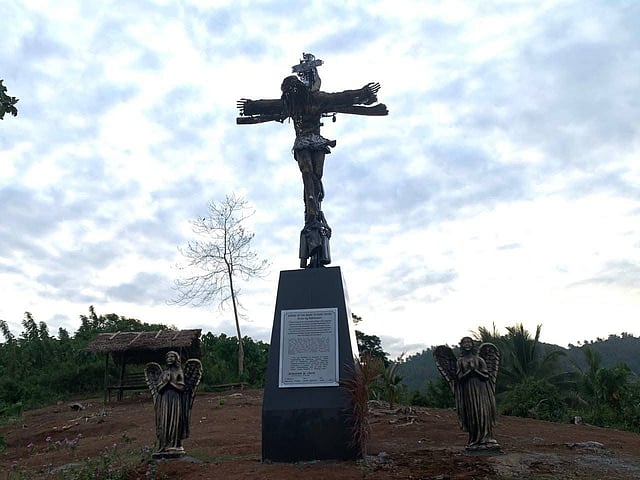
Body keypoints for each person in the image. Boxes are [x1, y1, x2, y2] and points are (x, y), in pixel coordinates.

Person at [434, 337, 500, 450]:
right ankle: (474, 440)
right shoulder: (460, 361)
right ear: (461, 345)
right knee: (472, 413)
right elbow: (459, 378)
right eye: (465, 342)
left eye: (469, 342)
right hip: (468, 391)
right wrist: (470, 372)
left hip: (481, 389)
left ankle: (487, 438)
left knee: (483, 412)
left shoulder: (480, 360)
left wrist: (476, 372)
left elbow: (486, 376)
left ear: (472, 344)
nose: (467, 344)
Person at [145, 351, 202, 457]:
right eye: (168, 357)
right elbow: (158, 388)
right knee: (165, 421)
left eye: (172, 357)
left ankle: (175, 445)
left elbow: (182, 387)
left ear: (177, 359)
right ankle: (164, 445)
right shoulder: (163, 373)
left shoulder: (179, 372)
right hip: (164, 401)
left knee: (175, 421)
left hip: (175, 400)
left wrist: (170, 383)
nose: (170, 358)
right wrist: (165, 384)